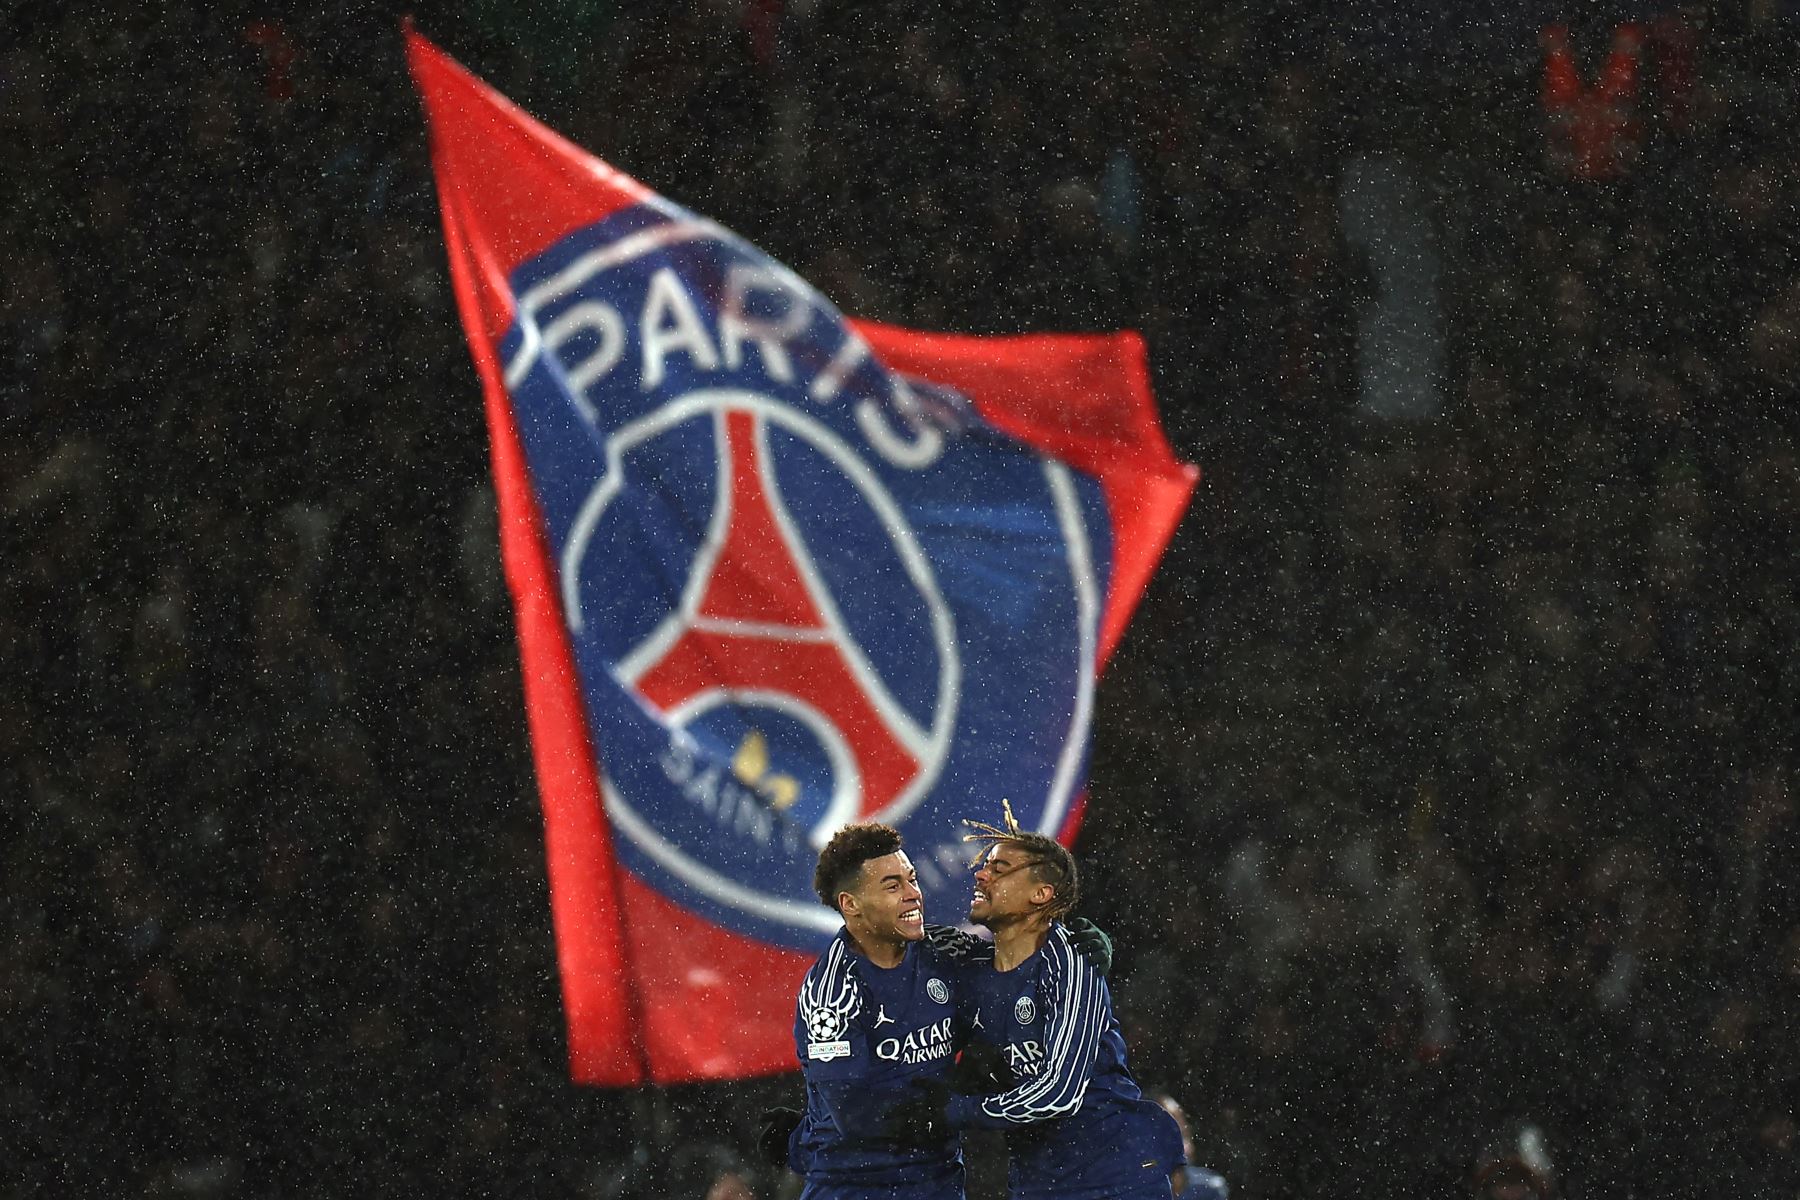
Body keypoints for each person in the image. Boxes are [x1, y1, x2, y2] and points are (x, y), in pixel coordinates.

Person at [765, 821, 1114, 1200]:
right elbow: (855, 1116)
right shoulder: (831, 991)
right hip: (856, 1188)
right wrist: (807, 1138)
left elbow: (1017, 973)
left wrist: (1082, 953)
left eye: (911, 879)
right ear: (851, 905)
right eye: (892, 886)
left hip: (939, 1183)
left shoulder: (944, 953)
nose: (913, 895)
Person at [886, 803, 1187, 1199]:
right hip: (1037, 1182)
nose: (981, 873)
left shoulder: (1070, 963)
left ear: (1041, 894)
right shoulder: (971, 966)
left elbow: (1060, 1092)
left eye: (1000, 868)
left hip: (1114, 1179)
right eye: (986, 865)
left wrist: (957, 1110)